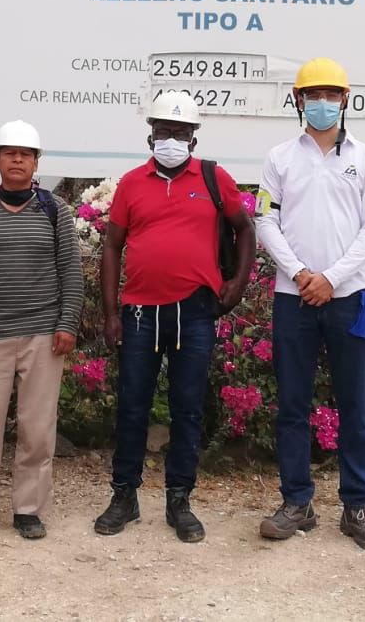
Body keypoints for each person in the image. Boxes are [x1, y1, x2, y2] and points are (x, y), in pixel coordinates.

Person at [94, 91, 255, 543]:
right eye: (163, 131)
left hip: (196, 310)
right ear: (150, 134)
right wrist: (111, 312)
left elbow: (245, 230)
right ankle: (124, 497)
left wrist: (237, 284)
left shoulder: (212, 178)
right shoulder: (131, 183)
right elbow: (111, 246)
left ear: (193, 137)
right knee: (132, 407)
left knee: (186, 408)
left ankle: (179, 500)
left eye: (179, 132)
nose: (170, 139)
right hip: (140, 311)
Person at [255, 57, 365, 553]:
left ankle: (357, 508)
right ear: (297, 101)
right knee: (292, 406)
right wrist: (300, 274)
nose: (323, 103)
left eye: (333, 94)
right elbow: (264, 221)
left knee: (355, 406)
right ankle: (297, 503)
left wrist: (331, 278)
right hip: (293, 299)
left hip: (350, 298)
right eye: (314, 95)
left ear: (346, 100)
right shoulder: (278, 159)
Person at [0, 120, 85, 540]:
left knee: (37, 428)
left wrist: (67, 323)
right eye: (9, 153)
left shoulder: (54, 209)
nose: (17, 160)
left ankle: (29, 509)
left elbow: (71, 272)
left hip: (43, 334)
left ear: (37, 161)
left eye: (25, 154)